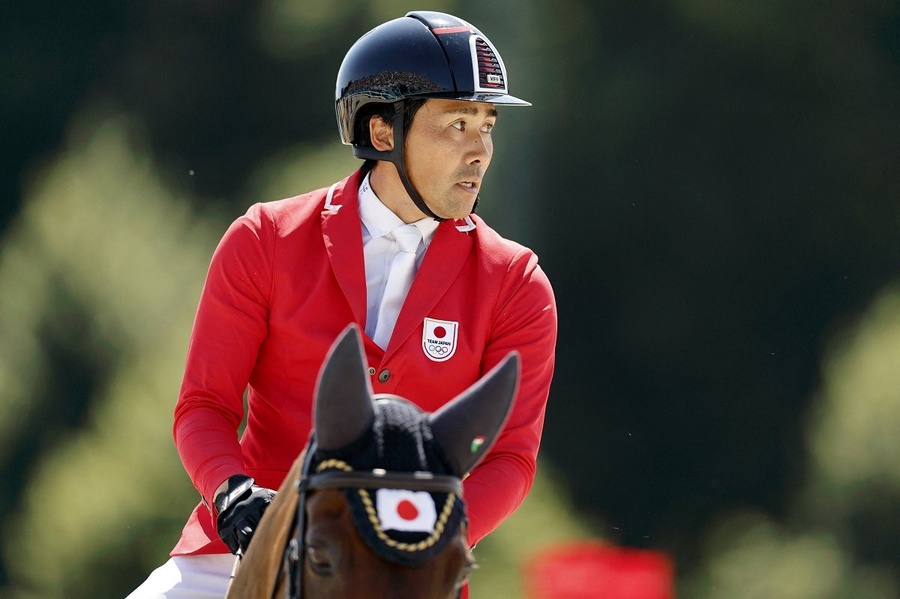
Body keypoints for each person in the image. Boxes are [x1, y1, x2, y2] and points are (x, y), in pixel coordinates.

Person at [128, 10, 556, 598]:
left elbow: (510, 458)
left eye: (487, 125)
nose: (481, 150)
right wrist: (230, 492)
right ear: (384, 133)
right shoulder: (263, 241)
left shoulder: (517, 283)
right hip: (247, 547)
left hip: (410, 569)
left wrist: (425, 541)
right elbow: (203, 406)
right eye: (458, 124)